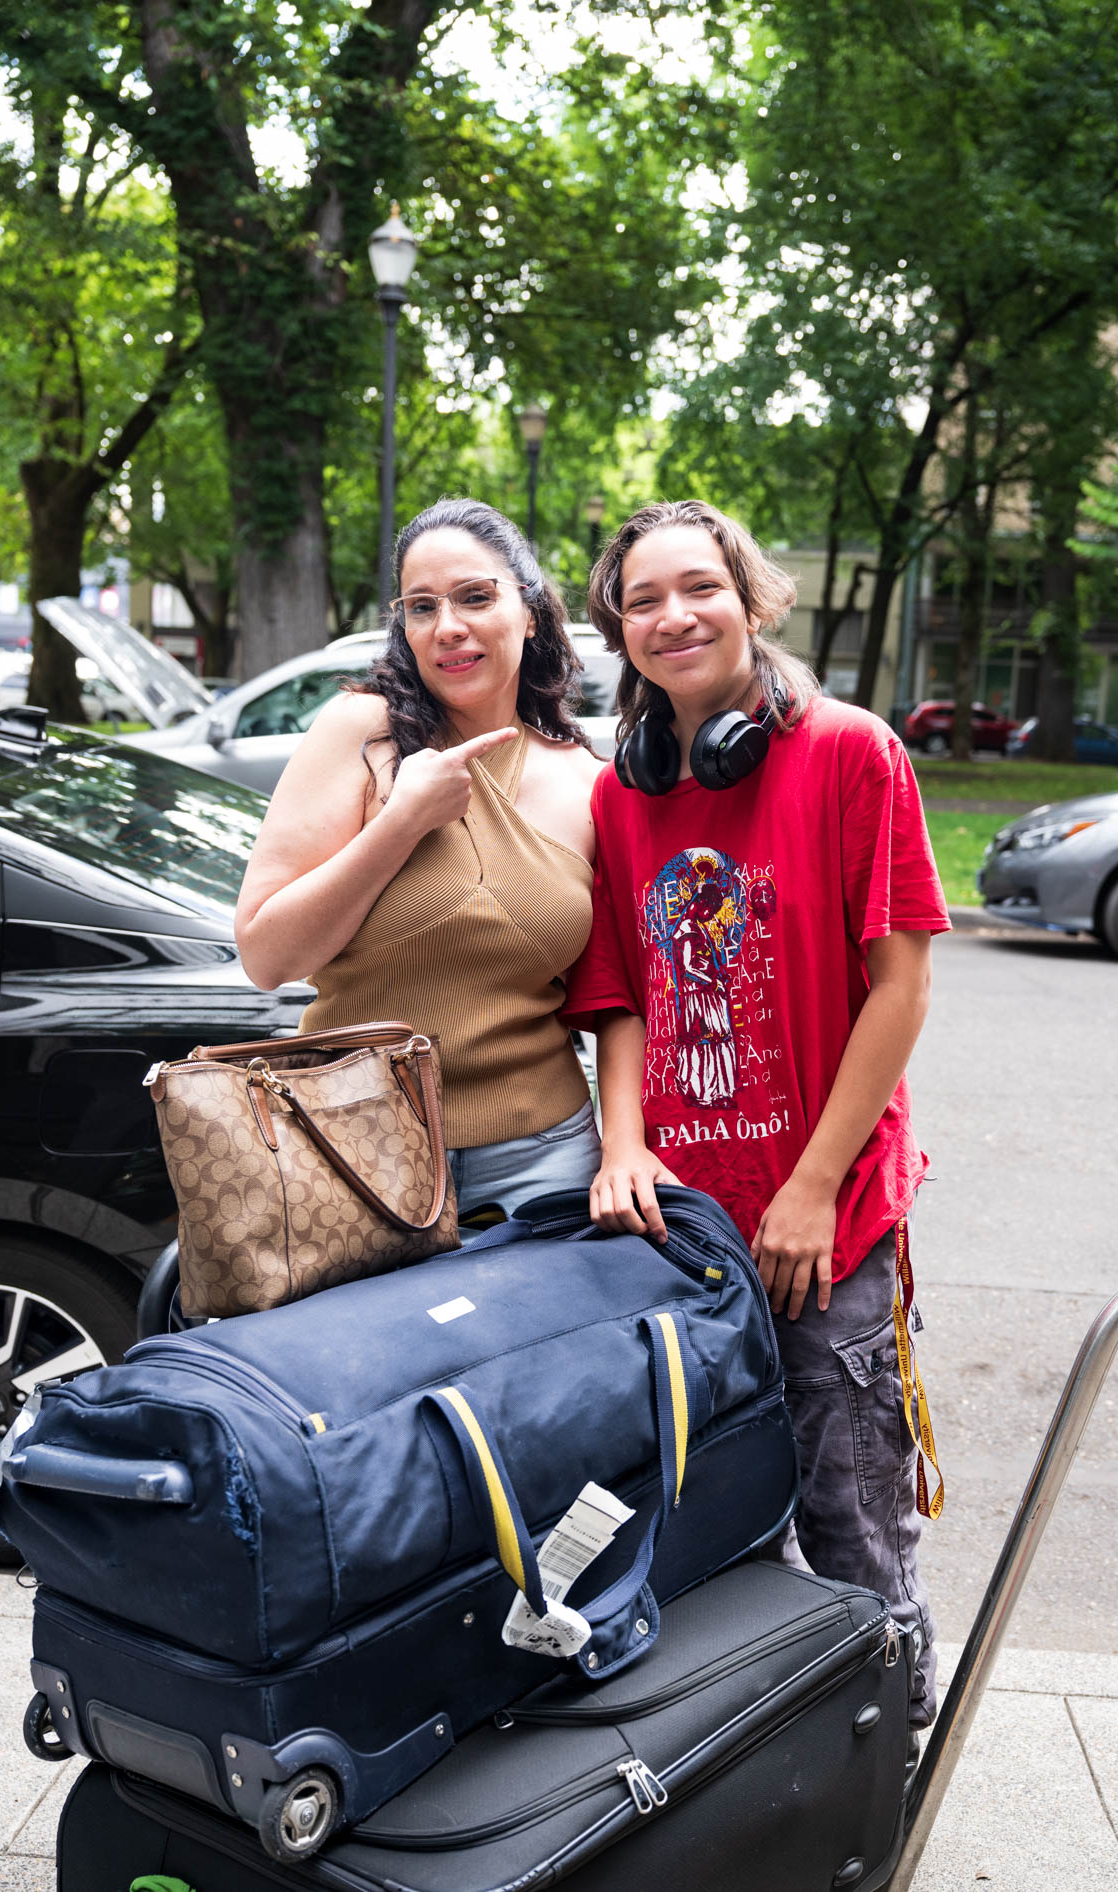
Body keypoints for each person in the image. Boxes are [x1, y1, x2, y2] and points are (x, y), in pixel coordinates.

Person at [562, 498, 950, 1732]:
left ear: (753, 597)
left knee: (850, 1515)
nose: (672, 616)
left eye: (698, 587)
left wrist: (812, 1184)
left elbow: (900, 990)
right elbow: (619, 992)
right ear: (616, 631)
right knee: (717, 1517)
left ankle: (889, 1752)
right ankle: (770, 1774)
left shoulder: (849, 750)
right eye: (640, 600)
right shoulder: (623, 799)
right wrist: (625, 1144)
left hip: (823, 1221)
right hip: (682, 1231)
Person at [235, 497, 604, 1215]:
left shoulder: (589, 780)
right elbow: (266, 956)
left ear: (529, 610)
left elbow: (621, 1002)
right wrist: (399, 824)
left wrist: (629, 1147)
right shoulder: (362, 733)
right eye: (421, 606)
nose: (449, 627)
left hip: (543, 1159)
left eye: (475, 597)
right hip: (356, 1148)